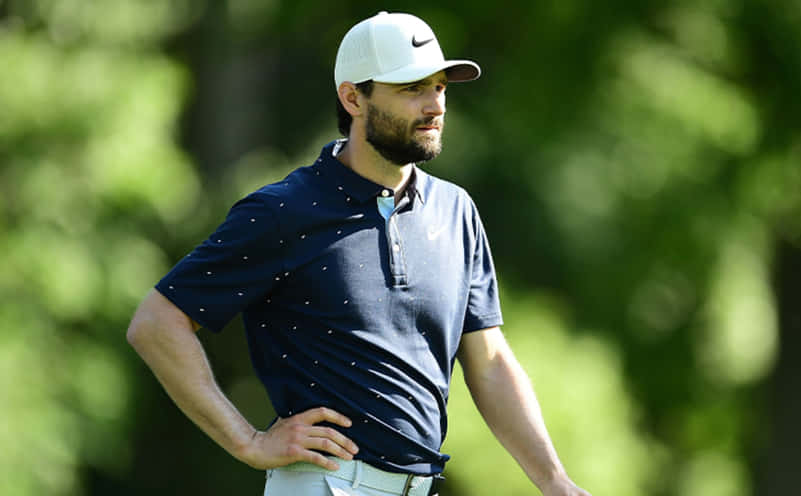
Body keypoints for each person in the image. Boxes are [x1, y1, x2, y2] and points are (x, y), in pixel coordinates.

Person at [127, 11, 590, 496]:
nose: (434, 105)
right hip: (327, 486)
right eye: (411, 89)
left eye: (439, 86)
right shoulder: (284, 211)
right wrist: (248, 441)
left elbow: (490, 361)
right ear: (353, 98)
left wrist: (554, 481)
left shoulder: (456, 211)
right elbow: (158, 323)